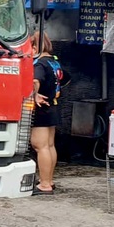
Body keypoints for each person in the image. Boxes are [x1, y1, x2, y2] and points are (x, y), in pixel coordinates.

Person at [30, 31, 68, 195]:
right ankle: (49, 180)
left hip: (41, 107)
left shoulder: (39, 64)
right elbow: (66, 78)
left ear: (34, 46)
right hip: (53, 105)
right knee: (50, 145)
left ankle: (44, 184)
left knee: (40, 146)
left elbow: (35, 81)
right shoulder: (54, 62)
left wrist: (35, 94)